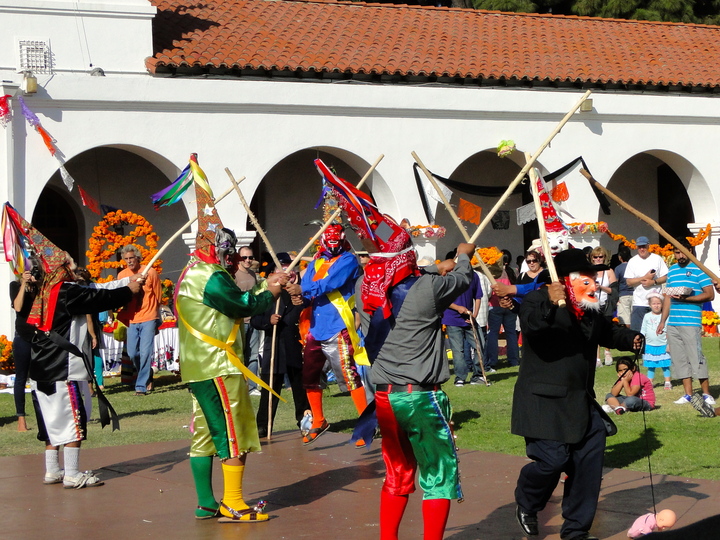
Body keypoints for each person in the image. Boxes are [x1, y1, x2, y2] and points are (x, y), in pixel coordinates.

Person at [176, 178, 289, 522]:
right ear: (218, 250)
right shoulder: (209, 274)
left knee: (204, 435)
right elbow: (241, 304)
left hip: (199, 368)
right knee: (231, 433)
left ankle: (206, 502)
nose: (232, 260)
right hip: (217, 365)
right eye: (229, 254)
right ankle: (233, 502)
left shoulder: (188, 272)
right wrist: (271, 289)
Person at [512, 248, 642, 540]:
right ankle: (527, 500)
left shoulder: (590, 304)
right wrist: (549, 302)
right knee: (552, 462)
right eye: (587, 277)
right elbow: (533, 327)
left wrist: (630, 337)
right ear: (566, 279)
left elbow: (606, 331)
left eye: (594, 277)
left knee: (589, 461)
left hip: (580, 400)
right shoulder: (536, 299)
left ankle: (576, 531)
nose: (593, 282)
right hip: (542, 401)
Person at [358, 234, 475, 540]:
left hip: (384, 397)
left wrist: (436, 267)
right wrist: (463, 255)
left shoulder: (364, 286)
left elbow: (401, 281)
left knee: (396, 473)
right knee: (437, 475)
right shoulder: (428, 288)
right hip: (420, 396)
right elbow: (463, 280)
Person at [30, 252, 141, 488]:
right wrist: (127, 291)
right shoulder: (67, 291)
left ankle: (52, 470)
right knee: (73, 419)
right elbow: (99, 297)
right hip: (62, 367)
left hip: (41, 366)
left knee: (51, 420)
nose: (74, 266)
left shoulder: (45, 290)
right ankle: (71, 473)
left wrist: (127, 282)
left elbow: (97, 289)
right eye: (69, 263)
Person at [300, 224, 368, 446]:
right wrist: (300, 289)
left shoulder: (348, 260)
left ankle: (366, 425)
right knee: (310, 377)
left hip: (338, 325)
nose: (333, 245)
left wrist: (305, 290)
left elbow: (331, 283)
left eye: (336, 240)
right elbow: (306, 284)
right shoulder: (316, 262)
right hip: (316, 327)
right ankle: (319, 420)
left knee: (348, 376)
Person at [251, 252, 310, 438]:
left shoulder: (300, 292)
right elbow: (255, 320)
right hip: (274, 346)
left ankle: (305, 421)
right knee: (269, 388)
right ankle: (263, 425)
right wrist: (268, 321)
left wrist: (301, 301)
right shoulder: (266, 293)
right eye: (283, 266)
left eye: (290, 266)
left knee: (300, 388)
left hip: (294, 346)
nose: (287, 270)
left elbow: (309, 312)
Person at [658, 242, 715, 406]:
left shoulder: (699, 269)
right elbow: (668, 297)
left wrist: (687, 299)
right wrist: (663, 320)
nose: (680, 256)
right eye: (677, 253)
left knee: (696, 357)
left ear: (690, 251)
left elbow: (709, 295)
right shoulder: (673, 270)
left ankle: (706, 394)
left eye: (683, 252)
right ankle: (688, 394)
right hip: (673, 322)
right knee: (679, 358)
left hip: (691, 321)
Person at [117, 244, 161, 395]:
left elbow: (158, 295)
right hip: (132, 318)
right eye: (126, 259)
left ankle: (141, 386)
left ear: (138, 258)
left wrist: (156, 317)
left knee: (145, 352)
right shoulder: (122, 275)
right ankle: (146, 374)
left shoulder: (151, 272)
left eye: (131, 258)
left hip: (148, 316)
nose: (129, 261)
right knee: (132, 353)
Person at [442, 250, 484, 386]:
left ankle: (479, 375)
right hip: (452, 318)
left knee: (479, 345)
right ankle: (460, 377)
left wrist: (475, 314)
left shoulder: (473, 276)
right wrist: (457, 308)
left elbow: (478, 296)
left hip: (469, 318)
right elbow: (442, 298)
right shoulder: (448, 276)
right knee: (457, 350)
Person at [10, 262, 40, 432]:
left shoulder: (39, 286)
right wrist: (23, 284)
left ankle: (42, 413)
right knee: (21, 377)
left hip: (39, 337)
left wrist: (37, 284)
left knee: (40, 377)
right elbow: (19, 307)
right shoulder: (14, 285)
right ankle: (21, 418)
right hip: (22, 336)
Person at [624, 236, 668, 332]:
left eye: (644, 246)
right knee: (637, 332)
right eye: (639, 247)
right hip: (639, 302)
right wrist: (644, 278)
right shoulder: (633, 261)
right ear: (636, 247)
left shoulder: (657, 259)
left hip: (656, 303)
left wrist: (653, 282)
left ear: (648, 246)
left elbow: (666, 277)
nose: (642, 249)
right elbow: (629, 282)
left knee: (655, 332)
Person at [234, 245, 262, 396]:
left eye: (250, 257)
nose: (248, 260)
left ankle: (252, 387)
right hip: (239, 323)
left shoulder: (253, 275)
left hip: (253, 321)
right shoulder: (234, 275)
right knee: (239, 355)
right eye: (244, 257)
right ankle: (238, 387)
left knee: (253, 355)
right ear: (239, 258)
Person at [591, 246, 618, 366]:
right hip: (593, 304)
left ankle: (607, 352)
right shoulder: (589, 271)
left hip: (606, 304)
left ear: (604, 258)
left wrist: (601, 287)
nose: (598, 259)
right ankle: (597, 358)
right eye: (595, 257)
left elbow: (614, 290)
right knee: (595, 330)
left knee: (606, 329)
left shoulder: (609, 271)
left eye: (600, 257)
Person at [641, 292, 672, 389]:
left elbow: (669, 329)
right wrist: (641, 339)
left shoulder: (665, 316)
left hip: (663, 344)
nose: (656, 305)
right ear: (649, 305)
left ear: (662, 304)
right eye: (654, 303)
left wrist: (669, 343)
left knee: (665, 364)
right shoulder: (647, 316)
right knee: (651, 365)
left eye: (658, 303)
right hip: (650, 345)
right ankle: (650, 382)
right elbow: (643, 329)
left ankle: (667, 382)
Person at [614, 244, 633, 327]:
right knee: (633, 318)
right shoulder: (633, 267)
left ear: (620, 257)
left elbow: (616, 282)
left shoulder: (618, 268)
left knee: (625, 319)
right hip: (634, 294)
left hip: (623, 295)